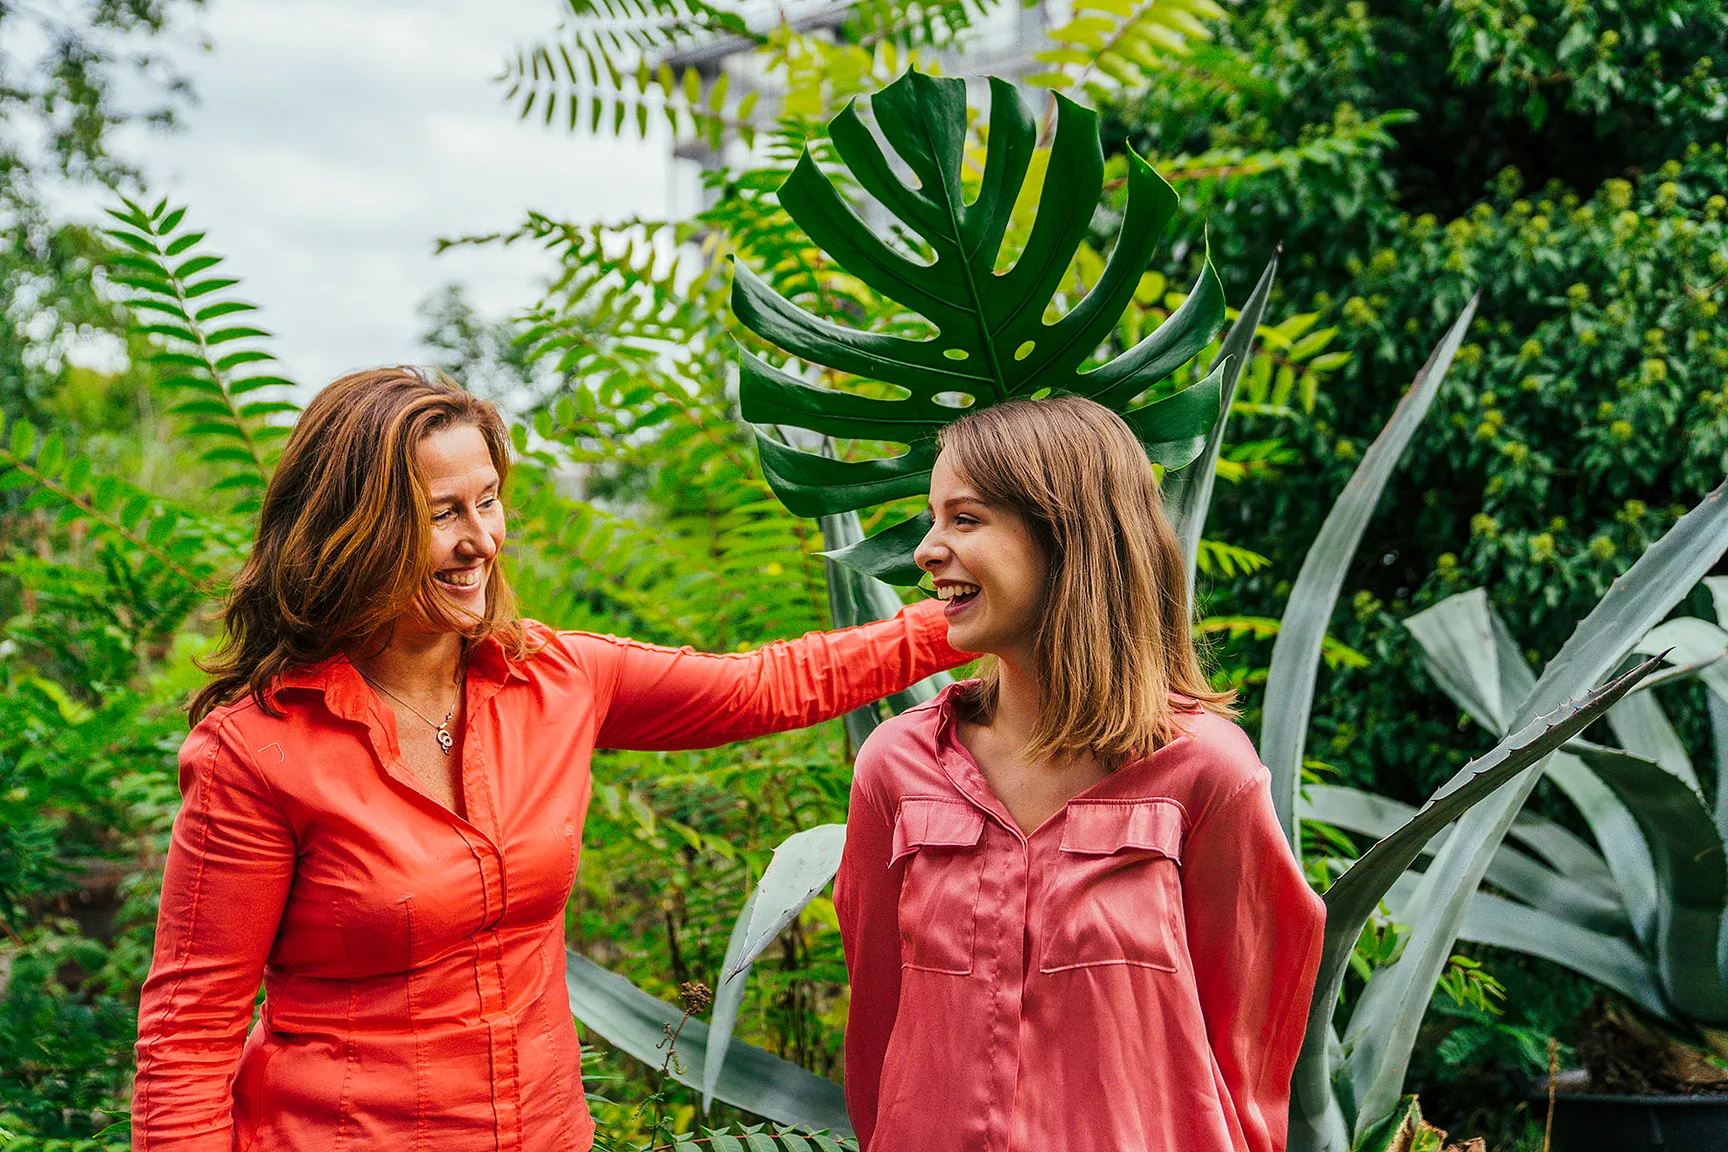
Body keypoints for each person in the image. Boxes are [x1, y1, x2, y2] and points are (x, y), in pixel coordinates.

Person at [131, 366, 969, 1151]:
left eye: (488, 502)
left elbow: (764, 686)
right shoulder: (257, 751)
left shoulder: (555, 677)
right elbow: (188, 1036)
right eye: (440, 514)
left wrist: (963, 617)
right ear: (355, 530)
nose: (481, 541)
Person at [836, 395, 1325, 1152]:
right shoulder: (896, 769)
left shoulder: (1205, 773)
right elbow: (877, 1032)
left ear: (1068, 537)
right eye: (935, 520)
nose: (927, 550)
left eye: (965, 519)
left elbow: (1249, 1052)